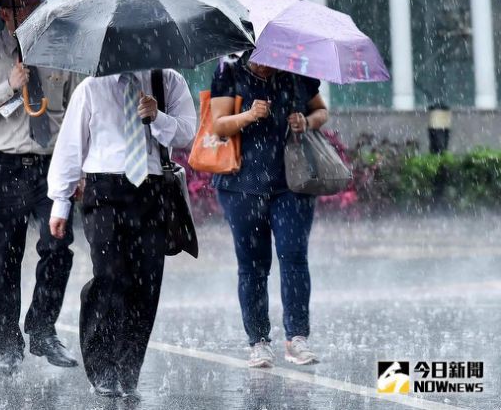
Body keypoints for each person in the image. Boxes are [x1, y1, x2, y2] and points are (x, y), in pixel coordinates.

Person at [48, 69, 196, 399]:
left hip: (152, 190)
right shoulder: (90, 87)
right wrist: (60, 202)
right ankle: (102, 368)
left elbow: (187, 133)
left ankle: (128, 370)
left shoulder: (167, 80)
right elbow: (71, 145)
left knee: (146, 286)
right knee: (110, 277)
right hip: (105, 191)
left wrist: (157, 117)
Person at [0, 0, 80, 376]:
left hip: (50, 168)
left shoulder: (62, 51)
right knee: (4, 261)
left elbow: (78, 110)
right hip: (3, 169)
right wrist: (8, 87)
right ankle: (8, 340)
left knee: (59, 247)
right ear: (2, 11)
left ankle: (42, 329)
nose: (27, 12)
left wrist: (81, 168)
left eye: (33, 4)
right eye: (19, 6)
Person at [209, 52, 329, 368]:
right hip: (241, 185)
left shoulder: (297, 70)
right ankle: (259, 342)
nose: (266, 65)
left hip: (292, 182)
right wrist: (248, 116)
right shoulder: (229, 70)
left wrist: (306, 121)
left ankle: (297, 338)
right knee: (252, 265)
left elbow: (321, 111)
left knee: (294, 256)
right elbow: (218, 126)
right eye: (260, 58)